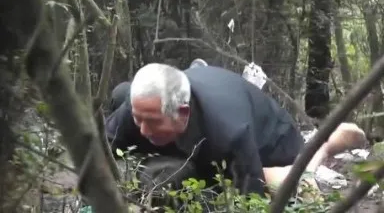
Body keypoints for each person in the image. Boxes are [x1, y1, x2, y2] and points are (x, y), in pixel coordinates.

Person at [105, 61, 367, 197]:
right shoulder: (137, 108)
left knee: (285, 181)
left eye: (152, 121)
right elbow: (99, 150)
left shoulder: (231, 132)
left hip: (270, 141)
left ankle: (325, 144)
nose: (142, 129)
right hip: (204, 122)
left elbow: (250, 201)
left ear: (182, 113)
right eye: (139, 119)